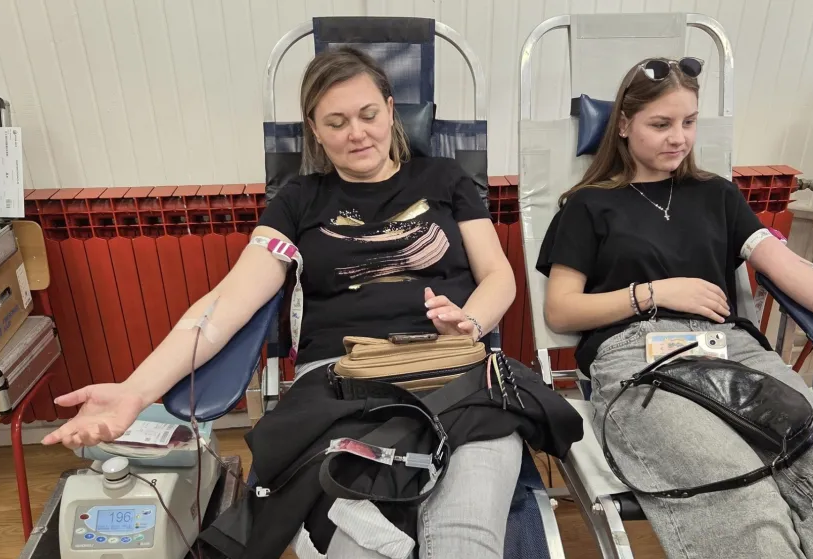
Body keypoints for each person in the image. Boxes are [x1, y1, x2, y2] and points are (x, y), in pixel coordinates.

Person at [42, 46, 520, 559]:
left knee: (466, 542)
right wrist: (136, 392)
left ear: (390, 109)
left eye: (368, 114)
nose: (357, 133)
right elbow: (228, 301)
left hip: (451, 372)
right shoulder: (298, 201)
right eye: (335, 122)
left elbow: (498, 276)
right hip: (343, 385)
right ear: (314, 130)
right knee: (361, 550)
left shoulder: (445, 179)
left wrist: (470, 322)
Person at [537, 56, 813, 559]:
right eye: (661, 124)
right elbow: (561, 311)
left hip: (733, 350)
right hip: (639, 358)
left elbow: (794, 273)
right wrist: (655, 293)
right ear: (623, 125)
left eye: (689, 122)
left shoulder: (717, 195)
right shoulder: (588, 205)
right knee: (739, 493)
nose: (679, 138)